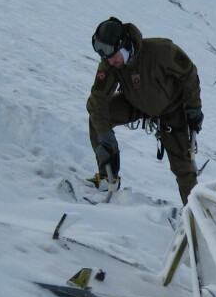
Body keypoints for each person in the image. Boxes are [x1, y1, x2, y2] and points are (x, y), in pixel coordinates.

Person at [86, 17, 203, 204]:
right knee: (98, 116)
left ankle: (194, 213)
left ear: (125, 46)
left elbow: (189, 73)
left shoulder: (161, 51)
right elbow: (98, 99)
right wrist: (104, 136)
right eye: (105, 56)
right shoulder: (109, 63)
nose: (109, 61)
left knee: (183, 167)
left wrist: (194, 109)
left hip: (171, 109)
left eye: (113, 55)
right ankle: (108, 178)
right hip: (135, 103)